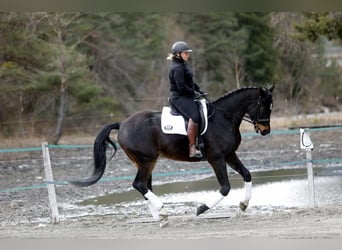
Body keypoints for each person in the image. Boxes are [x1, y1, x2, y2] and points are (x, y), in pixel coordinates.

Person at [167, 41, 205, 158]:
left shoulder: (183, 64)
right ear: (178, 54)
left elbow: (190, 81)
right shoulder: (177, 68)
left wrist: (199, 90)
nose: (187, 55)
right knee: (194, 116)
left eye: (187, 53)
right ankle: (192, 148)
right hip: (179, 97)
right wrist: (194, 93)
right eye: (185, 53)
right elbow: (181, 87)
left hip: (186, 95)